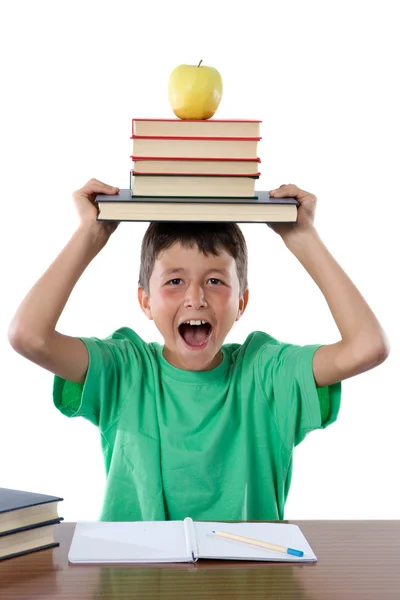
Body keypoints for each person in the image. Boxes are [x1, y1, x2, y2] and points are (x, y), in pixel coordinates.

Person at [8, 179, 389, 522]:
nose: (196, 297)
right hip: (134, 584)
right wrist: (88, 235)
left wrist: (303, 237)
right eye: (175, 281)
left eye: (215, 280)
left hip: (247, 586)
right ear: (145, 301)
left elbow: (367, 346)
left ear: (242, 302)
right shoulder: (125, 370)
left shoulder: (267, 372)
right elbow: (28, 336)